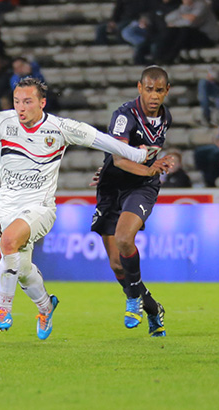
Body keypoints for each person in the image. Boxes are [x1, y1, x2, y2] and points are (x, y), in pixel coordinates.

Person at [0, 77, 170, 340]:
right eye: (17, 101)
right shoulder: (3, 122)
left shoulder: (60, 128)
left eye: (27, 102)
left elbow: (100, 140)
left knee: (9, 241)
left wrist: (138, 155)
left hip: (40, 207)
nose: (21, 108)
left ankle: (3, 309)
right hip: (6, 208)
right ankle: (46, 306)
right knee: (22, 269)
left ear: (42, 103)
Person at [91, 66, 175, 337]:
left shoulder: (165, 117)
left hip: (141, 187)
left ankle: (133, 299)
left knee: (125, 239)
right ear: (140, 88)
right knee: (117, 264)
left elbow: (146, 156)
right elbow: (118, 159)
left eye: (159, 90)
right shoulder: (124, 117)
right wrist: (110, 170)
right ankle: (153, 309)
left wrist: (151, 171)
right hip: (112, 189)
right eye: (149, 89)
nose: (154, 96)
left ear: (167, 91)